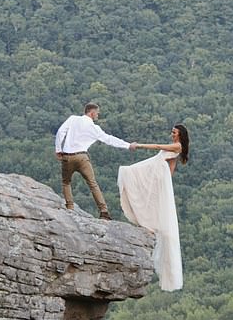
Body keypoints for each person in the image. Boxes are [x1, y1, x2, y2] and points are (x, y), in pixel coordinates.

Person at [117, 124, 190, 291]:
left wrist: (139, 145)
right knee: (136, 180)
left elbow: (158, 148)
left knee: (132, 175)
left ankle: (150, 224)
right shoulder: (176, 146)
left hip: (159, 175)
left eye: (174, 132)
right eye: (172, 132)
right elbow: (171, 165)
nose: (172, 134)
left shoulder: (178, 146)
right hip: (158, 174)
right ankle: (148, 222)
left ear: (180, 135)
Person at [55, 102, 136, 220]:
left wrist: (58, 149)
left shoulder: (72, 119)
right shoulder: (93, 128)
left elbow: (60, 132)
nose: (98, 116)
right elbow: (109, 139)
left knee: (66, 182)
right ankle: (103, 210)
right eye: (97, 113)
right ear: (92, 113)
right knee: (92, 184)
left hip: (67, 156)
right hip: (82, 157)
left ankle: (70, 207)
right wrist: (128, 145)